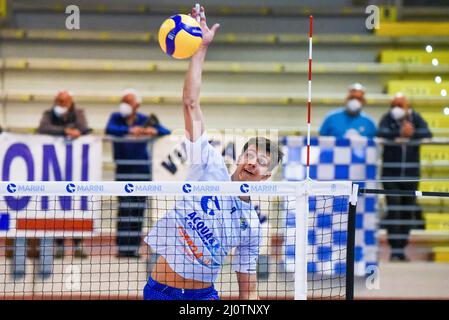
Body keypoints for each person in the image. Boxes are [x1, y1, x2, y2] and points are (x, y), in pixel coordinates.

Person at [143, 6, 283, 301]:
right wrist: (200, 49)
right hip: (161, 293)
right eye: (251, 155)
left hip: (204, 298)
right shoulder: (208, 164)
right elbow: (190, 104)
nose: (253, 164)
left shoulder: (251, 224)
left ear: (266, 176)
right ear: (239, 157)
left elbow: (248, 291)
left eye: (262, 163)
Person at [105, 88, 171, 258]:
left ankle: (133, 248)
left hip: (142, 171)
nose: (124, 104)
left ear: (137, 105)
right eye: (123, 100)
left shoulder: (144, 119)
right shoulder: (116, 118)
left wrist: (153, 131)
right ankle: (122, 248)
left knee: (138, 209)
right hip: (123, 169)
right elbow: (110, 129)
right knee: (124, 208)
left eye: (128, 101)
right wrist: (129, 131)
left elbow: (165, 131)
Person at [377, 93, 432, 262]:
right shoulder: (387, 118)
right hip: (390, 175)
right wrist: (398, 133)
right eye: (394, 104)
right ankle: (395, 250)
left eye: (400, 104)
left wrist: (412, 133)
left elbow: (427, 132)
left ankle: (402, 248)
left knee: (408, 212)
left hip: (411, 174)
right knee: (394, 211)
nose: (397, 108)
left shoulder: (416, 117)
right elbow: (381, 132)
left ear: (407, 105)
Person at [37, 90, 91, 259]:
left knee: (77, 206)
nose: (61, 105)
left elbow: (84, 129)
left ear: (71, 103)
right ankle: (59, 245)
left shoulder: (79, 113)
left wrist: (78, 132)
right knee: (56, 206)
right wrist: (67, 130)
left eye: (64, 102)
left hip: (76, 169)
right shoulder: (48, 114)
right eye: (59, 101)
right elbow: (43, 128)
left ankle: (77, 245)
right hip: (55, 170)